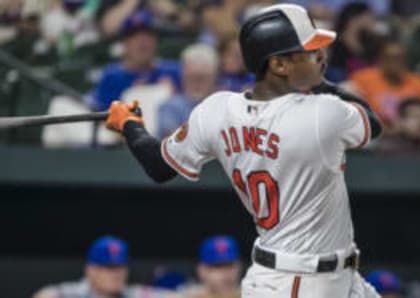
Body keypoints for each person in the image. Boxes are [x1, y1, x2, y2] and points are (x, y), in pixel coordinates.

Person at [105, 4, 382, 298]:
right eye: (308, 51)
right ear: (278, 65)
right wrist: (322, 84)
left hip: (322, 277)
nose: (321, 58)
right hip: (301, 283)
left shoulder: (217, 110)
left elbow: (159, 166)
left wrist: (130, 126)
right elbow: (372, 123)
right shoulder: (322, 112)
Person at [89, 9, 181, 112]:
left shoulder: (174, 71)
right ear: (125, 43)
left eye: (148, 36)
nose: (142, 42)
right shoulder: (111, 77)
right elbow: (103, 119)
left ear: (156, 42)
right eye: (135, 37)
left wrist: (174, 97)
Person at [33, 235, 177, 298]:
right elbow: (46, 294)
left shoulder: (132, 294)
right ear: (91, 270)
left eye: (120, 267)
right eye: (109, 268)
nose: (116, 273)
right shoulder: (71, 293)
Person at [349, 39, 420, 128]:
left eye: (399, 58)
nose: (394, 62)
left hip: (411, 135)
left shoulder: (418, 82)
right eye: (390, 57)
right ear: (381, 59)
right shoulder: (362, 79)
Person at [157, 43, 219, 139]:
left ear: (214, 77)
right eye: (192, 78)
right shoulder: (170, 106)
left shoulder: (224, 106)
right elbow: (175, 140)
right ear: (183, 76)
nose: (197, 84)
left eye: (203, 78)